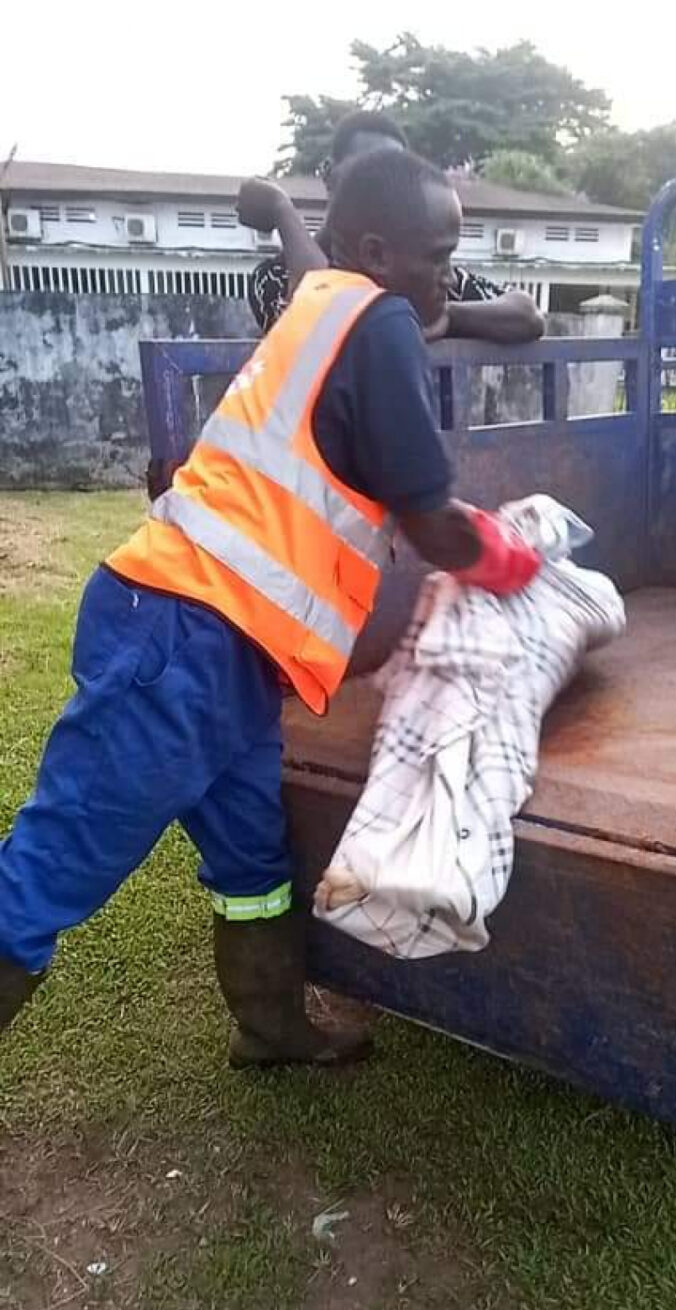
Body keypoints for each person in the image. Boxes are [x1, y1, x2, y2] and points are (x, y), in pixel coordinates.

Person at [0, 151, 540, 1070]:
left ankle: (271, 1028)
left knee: (252, 859)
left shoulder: (323, 300)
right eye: (437, 252)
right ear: (377, 247)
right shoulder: (378, 322)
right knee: (51, 870)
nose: (447, 269)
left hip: (225, 651)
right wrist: (513, 558)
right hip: (183, 638)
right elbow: (430, 519)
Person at [242, 110, 544, 343]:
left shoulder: (421, 276)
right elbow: (318, 324)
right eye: (364, 168)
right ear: (329, 174)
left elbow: (526, 314)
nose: (377, 182)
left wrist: (441, 316)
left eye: (392, 171)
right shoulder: (275, 276)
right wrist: (282, 210)